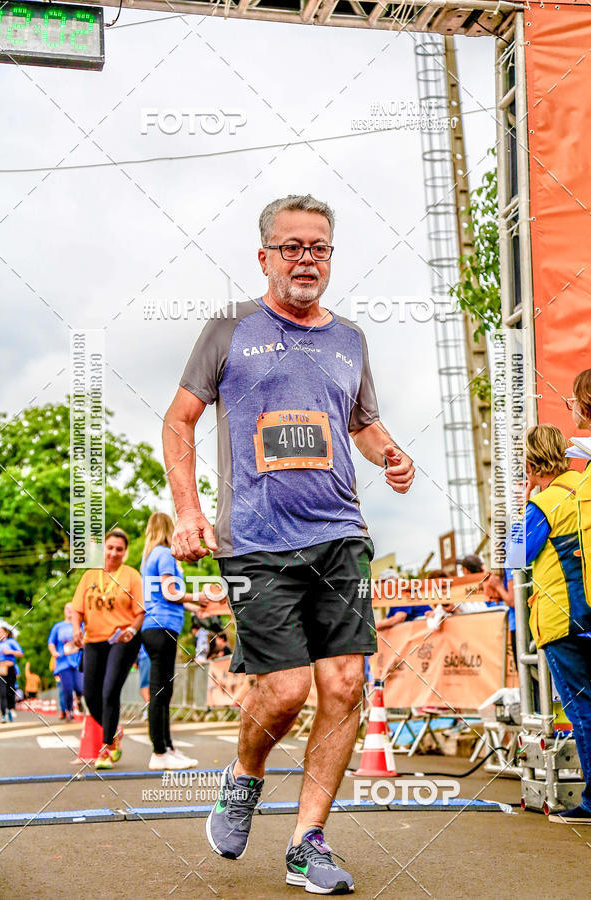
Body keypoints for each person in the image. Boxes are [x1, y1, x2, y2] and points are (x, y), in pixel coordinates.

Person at [163, 193, 415, 893]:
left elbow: (364, 424)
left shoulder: (350, 340)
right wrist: (188, 511)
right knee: (281, 693)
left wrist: (390, 453)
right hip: (255, 541)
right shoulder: (229, 330)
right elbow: (178, 422)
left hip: (340, 534)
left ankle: (309, 841)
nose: (307, 259)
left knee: (343, 684)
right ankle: (244, 776)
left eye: (320, 248)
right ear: (265, 256)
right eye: (293, 246)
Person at [506, 423, 591, 824]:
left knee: (585, 712)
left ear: (529, 464)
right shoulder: (588, 484)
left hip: (565, 622)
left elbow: (515, 555)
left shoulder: (543, 505)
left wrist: (523, 502)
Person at [71, 528, 144, 770]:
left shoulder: (131, 576)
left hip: (122, 640)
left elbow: (140, 612)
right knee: (91, 696)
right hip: (93, 640)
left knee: (109, 691)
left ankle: (105, 749)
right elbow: (77, 609)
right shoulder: (90, 576)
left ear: (125, 552)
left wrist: (132, 630)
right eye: (110, 547)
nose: (113, 553)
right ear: (103, 548)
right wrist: (76, 630)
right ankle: (114, 733)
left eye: (119, 549)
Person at [141, 511, 207, 770]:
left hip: (155, 626)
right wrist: (196, 595)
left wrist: (194, 608)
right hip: (162, 626)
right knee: (160, 692)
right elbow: (171, 592)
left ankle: (167, 746)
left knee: (163, 691)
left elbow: (161, 595)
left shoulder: (149, 557)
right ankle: (159, 752)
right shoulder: (165, 554)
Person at [48, 603, 82, 722]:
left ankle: (79, 700)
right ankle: (69, 711)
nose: (69, 611)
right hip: (63, 662)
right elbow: (51, 642)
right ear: (64, 611)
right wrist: (54, 652)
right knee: (67, 688)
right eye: (67, 608)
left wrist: (78, 647)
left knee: (80, 687)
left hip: (78, 661)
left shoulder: (79, 624)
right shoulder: (58, 626)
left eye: (72, 609)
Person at [0, 625, 23, 722]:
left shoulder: (11, 642)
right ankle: (3, 713)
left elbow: (20, 653)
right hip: (0, 669)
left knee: (10, 690)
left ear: (6, 633)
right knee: (2, 692)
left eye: (0, 631)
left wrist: (9, 651)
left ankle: (11, 709)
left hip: (10, 668)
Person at [137, 644, 150, 722]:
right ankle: (150, 708)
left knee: (145, 684)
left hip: (146, 655)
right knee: (146, 684)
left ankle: (150, 709)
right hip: (145, 655)